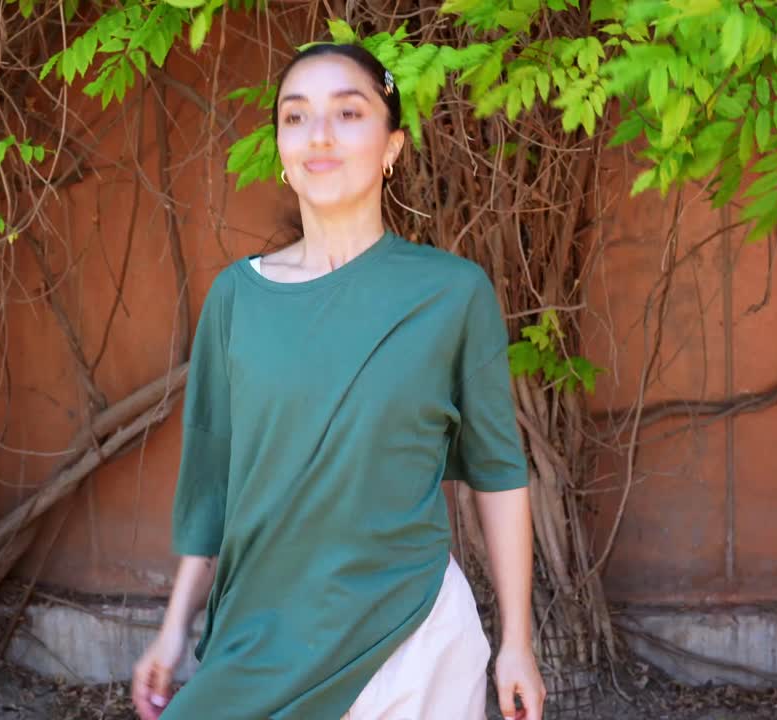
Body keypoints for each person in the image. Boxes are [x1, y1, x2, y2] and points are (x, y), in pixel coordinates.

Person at [131, 41, 546, 720]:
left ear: (393, 146)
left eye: (348, 113)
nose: (318, 135)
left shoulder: (451, 293)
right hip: (259, 638)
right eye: (295, 118)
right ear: (282, 152)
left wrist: (517, 644)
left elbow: (498, 473)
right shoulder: (235, 299)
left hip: (411, 641)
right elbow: (211, 482)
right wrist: (174, 631)